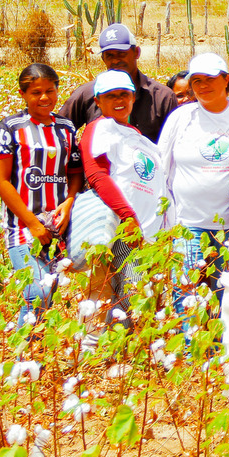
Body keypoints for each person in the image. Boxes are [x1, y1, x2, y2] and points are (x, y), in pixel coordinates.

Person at [159, 53, 229, 327]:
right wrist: (165, 222)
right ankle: (190, 356)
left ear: (226, 80)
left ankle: (225, 353)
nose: (202, 86)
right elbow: (163, 166)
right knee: (184, 294)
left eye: (209, 79)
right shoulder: (182, 117)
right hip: (188, 226)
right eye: (196, 80)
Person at [0, 64, 83, 327]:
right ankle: (21, 361)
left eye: (50, 91)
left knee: (48, 293)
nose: (44, 97)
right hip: (23, 227)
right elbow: (0, 180)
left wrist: (70, 200)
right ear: (22, 94)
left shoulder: (66, 127)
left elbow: (75, 171)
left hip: (58, 226)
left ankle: (35, 357)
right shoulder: (10, 127)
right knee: (36, 293)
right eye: (36, 92)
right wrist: (32, 223)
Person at [79, 69, 168, 327]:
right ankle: (123, 353)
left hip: (147, 230)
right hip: (124, 227)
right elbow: (98, 176)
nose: (119, 101)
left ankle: (127, 354)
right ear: (98, 101)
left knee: (134, 294)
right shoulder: (100, 128)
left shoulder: (135, 135)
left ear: (133, 98)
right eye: (111, 96)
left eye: (125, 95)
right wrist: (128, 217)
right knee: (133, 293)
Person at [60, 23, 178, 143]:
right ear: (103, 59)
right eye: (110, 55)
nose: (116, 60)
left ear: (136, 52)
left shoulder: (162, 97)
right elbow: (60, 130)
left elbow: (175, 143)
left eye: (122, 54)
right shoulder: (87, 93)